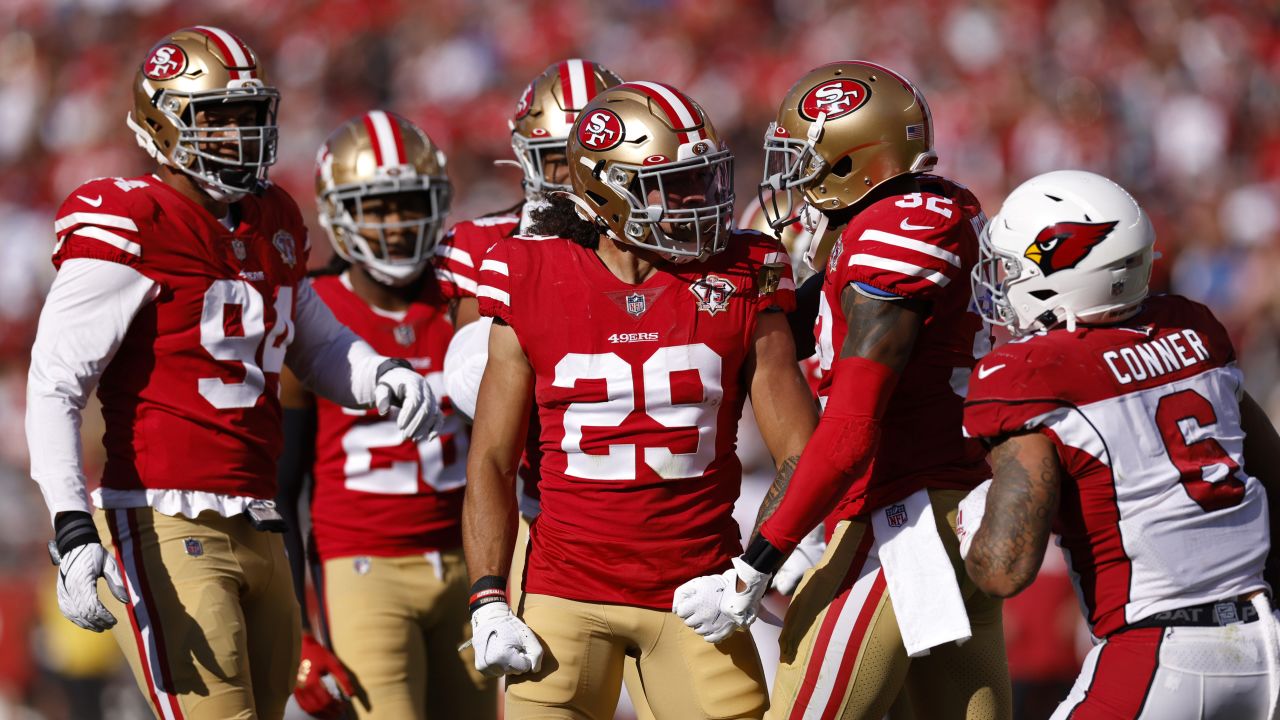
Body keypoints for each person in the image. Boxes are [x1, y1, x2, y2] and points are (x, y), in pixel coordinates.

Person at [26, 27, 438, 720]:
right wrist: (71, 529)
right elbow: (54, 382)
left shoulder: (271, 216)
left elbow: (310, 335)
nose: (240, 134)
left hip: (259, 516)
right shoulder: (131, 218)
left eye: (249, 115)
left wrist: (376, 374)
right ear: (163, 120)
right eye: (216, 118)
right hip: (161, 514)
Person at [462, 81, 818, 719]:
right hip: (564, 593)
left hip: (699, 587)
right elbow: (491, 456)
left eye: (703, 179)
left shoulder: (746, 269)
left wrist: (753, 569)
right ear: (605, 194)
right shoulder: (526, 270)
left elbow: (801, 450)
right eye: (673, 186)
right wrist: (489, 596)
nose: (700, 201)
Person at [675, 61, 1011, 720]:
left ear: (853, 159)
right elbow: (784, 327)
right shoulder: (925, 211)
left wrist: (758, 560)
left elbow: (852, 429)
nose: (790, 176)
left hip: (899, 525)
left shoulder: (891, 235)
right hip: (961, 511)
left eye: (803, 158)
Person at [959, 169, 1280, 719]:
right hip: (1267, 638)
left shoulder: (1031, 371)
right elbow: (1268, 469)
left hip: (1160, 654)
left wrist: (967, 521)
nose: (999, 282)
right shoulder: (1196, 329)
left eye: (1009, 267)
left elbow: (1003, 568)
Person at [275, 111, 495, 719]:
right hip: (363, 567)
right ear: (337, 211)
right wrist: (297, 628)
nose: (396, 224)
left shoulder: (466, 300)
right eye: (376, 206)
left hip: (467, 561)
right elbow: (282, 486)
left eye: (408, 202)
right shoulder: (313, 313)